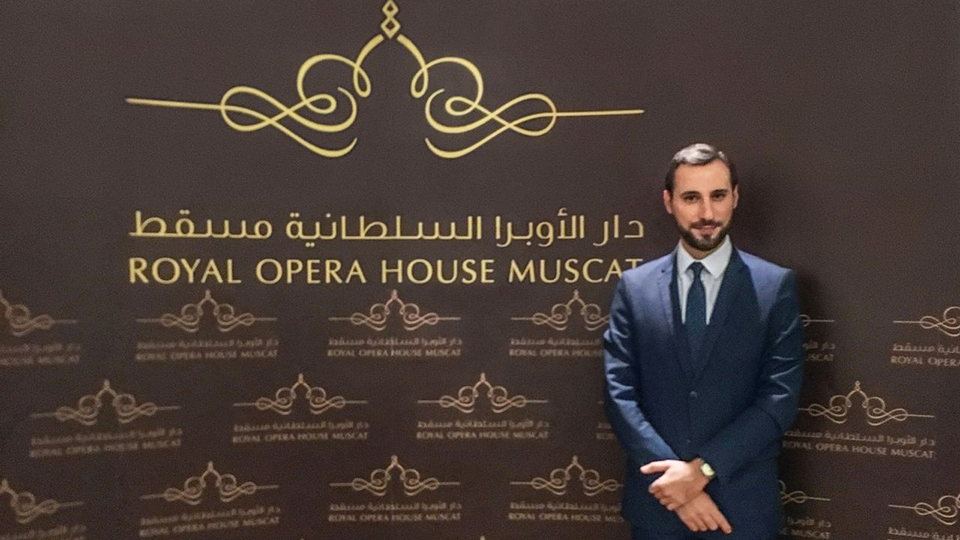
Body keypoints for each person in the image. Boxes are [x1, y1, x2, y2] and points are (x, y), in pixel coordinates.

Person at [603, 143, 804, 540]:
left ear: (735, 198)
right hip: (659, 508)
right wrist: (677, 486)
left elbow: (779, 399)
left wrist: (701, 472)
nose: (707, 213)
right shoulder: (634, 288)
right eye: (691, 198)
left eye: (718, 196)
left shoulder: (774, 287)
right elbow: (619, 395)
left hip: (742, 510)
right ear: (669, 202)